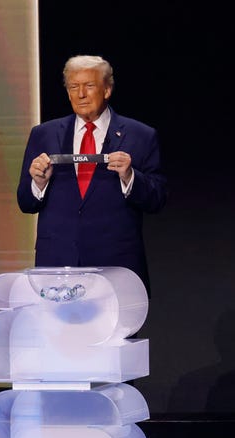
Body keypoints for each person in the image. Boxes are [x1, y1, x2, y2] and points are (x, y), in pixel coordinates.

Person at [17, 54, 168, 295]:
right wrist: (38, 183)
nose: (81, 94)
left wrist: (130, 177)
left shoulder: (140, 135)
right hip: (57, 271)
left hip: (116, 271)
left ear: (107, 90)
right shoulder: (43, 134)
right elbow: (25, 201)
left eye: (89, 86)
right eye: (73, 87)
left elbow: (157, 198)